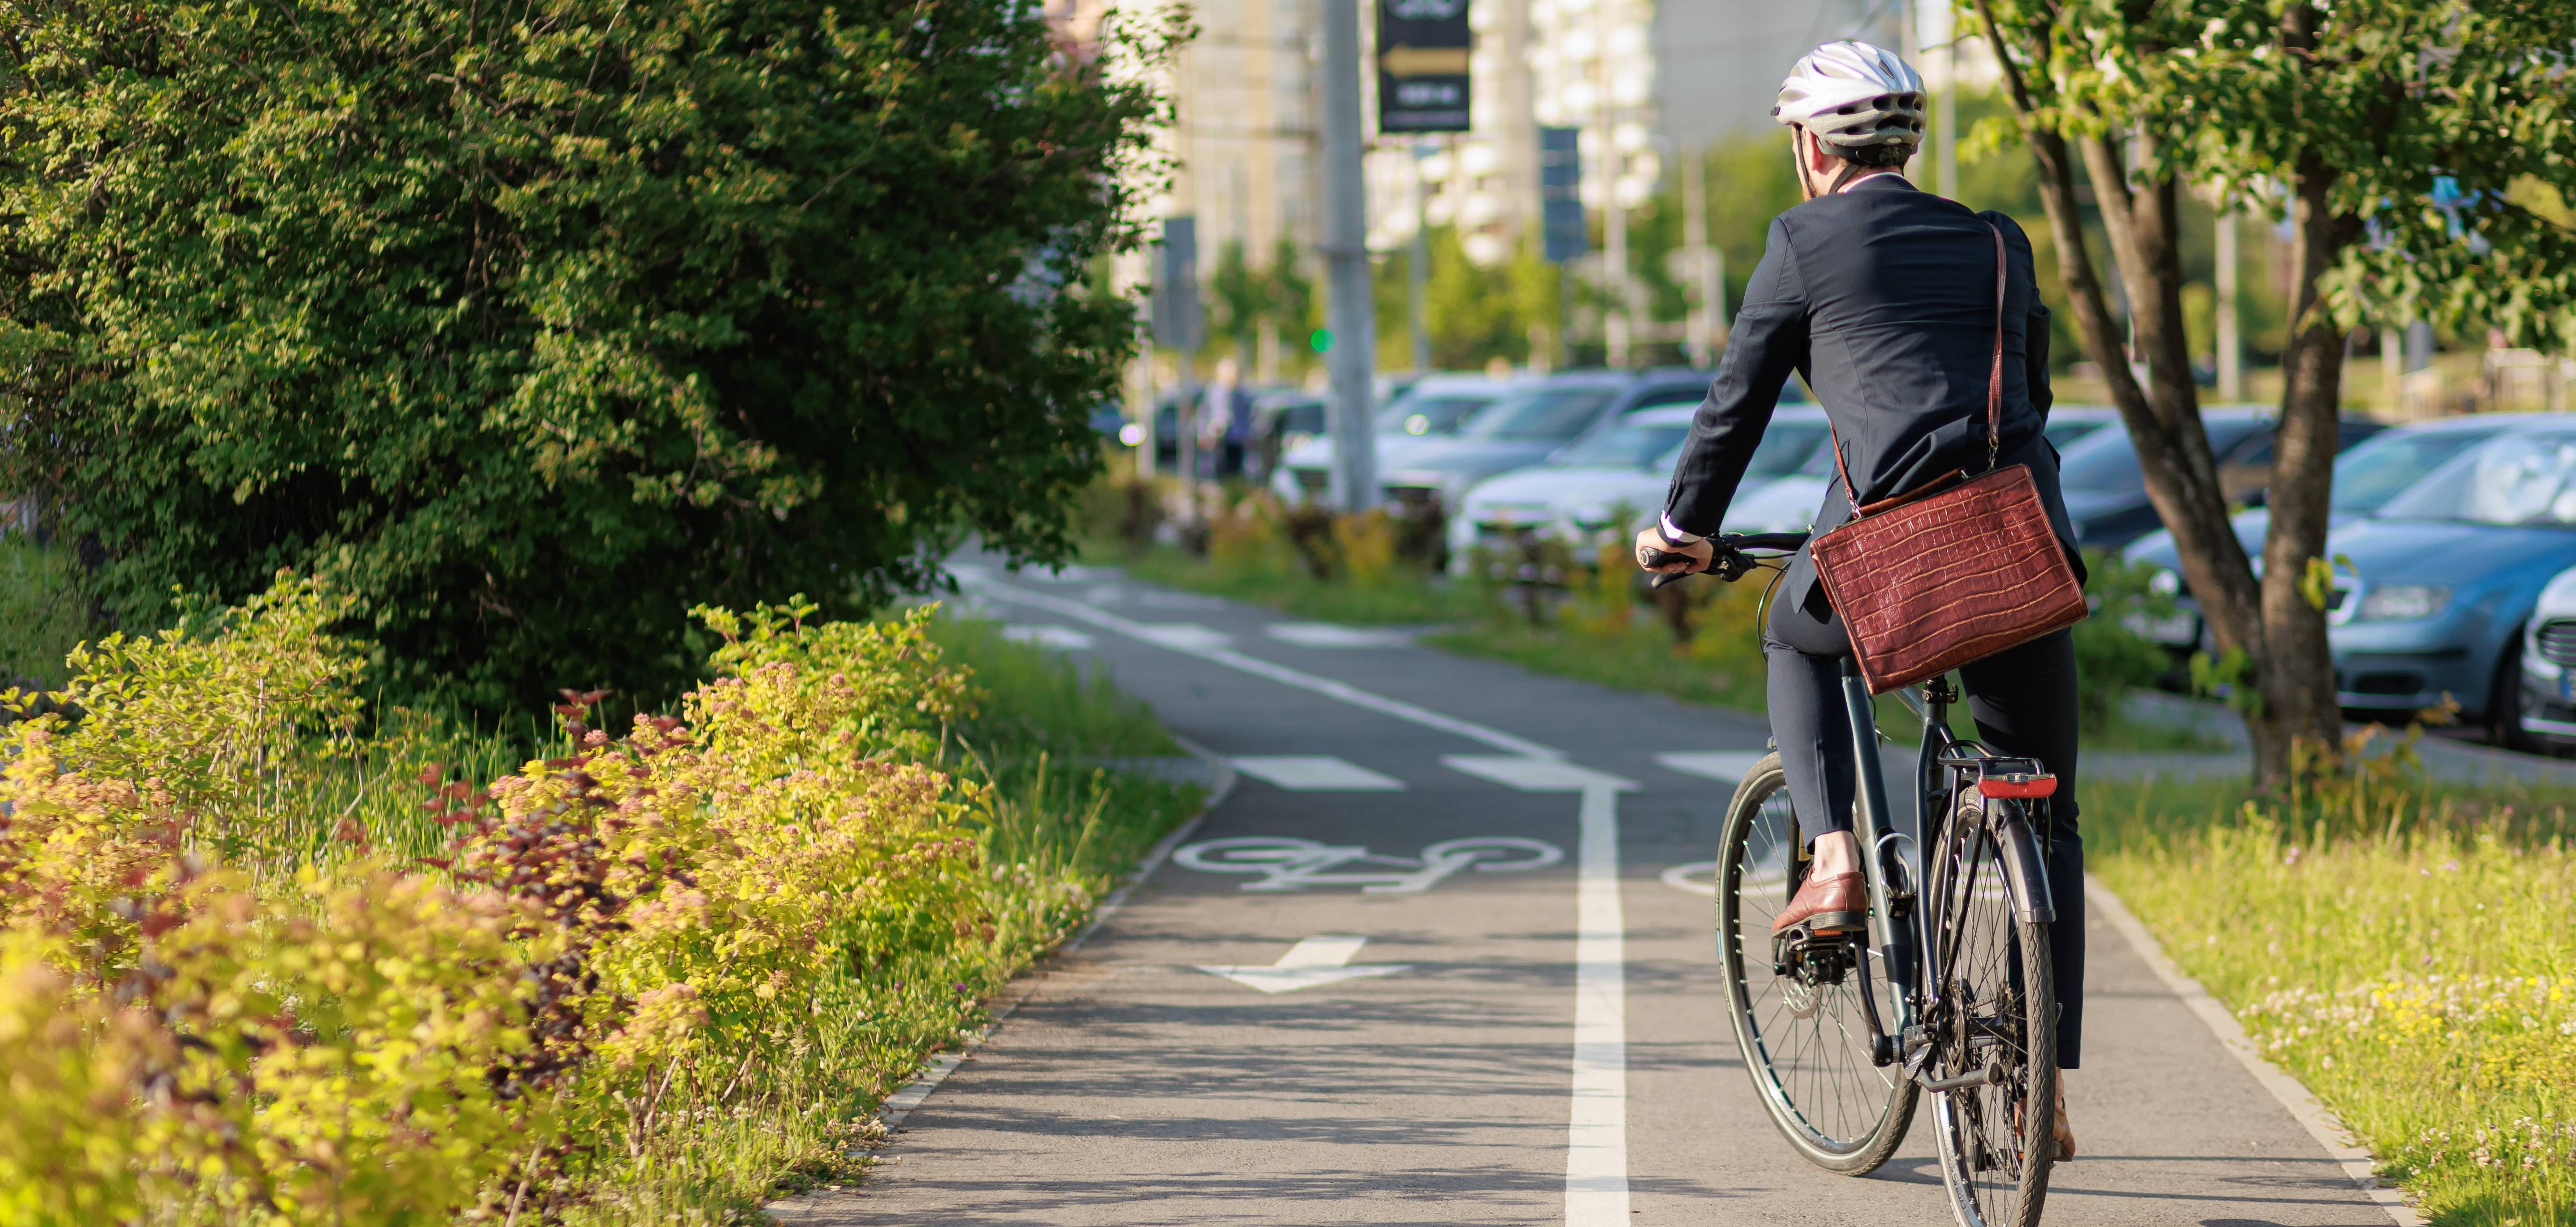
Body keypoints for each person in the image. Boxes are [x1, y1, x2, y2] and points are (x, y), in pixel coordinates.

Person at [1632, 41, 2085, 1161]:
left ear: (1808, 147)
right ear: (1903, 144)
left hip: (1891, 549)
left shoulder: (1802, 242)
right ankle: (2043, 1090)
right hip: (2021, 546)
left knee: (1792, 625)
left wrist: (1683, 530)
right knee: (2043, 806)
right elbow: (2026, 391)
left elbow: (1734, 401)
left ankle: (1832, 849)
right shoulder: (1998, 241)